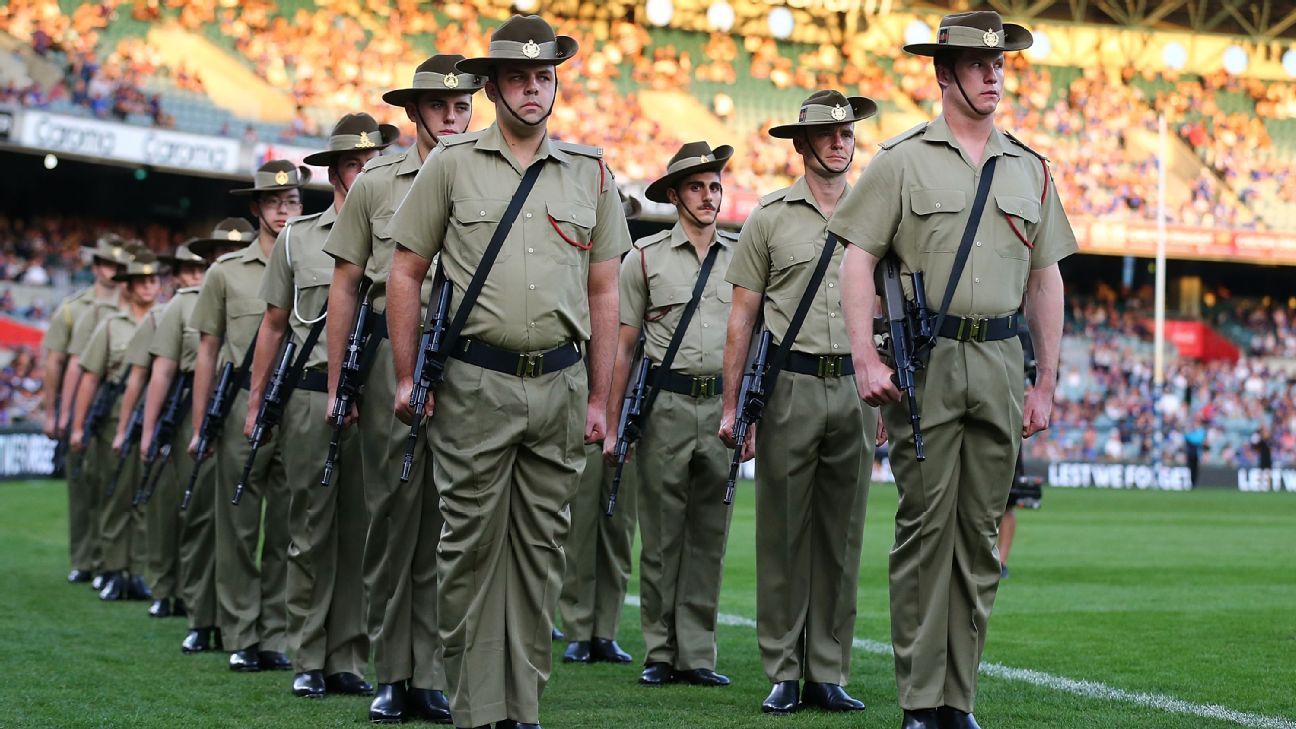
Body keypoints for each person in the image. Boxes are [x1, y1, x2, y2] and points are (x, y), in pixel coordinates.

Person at [385, 15, 631, 728]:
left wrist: (600, 398)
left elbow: (606, 291)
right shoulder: (452, 164)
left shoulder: (590, 172)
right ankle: (474, 708)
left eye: (544, 76)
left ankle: (520, 709)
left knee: (539, 554)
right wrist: (407, 377)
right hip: (474, 384)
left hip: (559, 386)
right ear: (491, 87)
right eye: (519, 77)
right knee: (466, 550)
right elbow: (405, 270)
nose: (533, 88)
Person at [831, 12, 1075, 729]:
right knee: (925, 528)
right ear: (944, 73)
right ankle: (919, 698)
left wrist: (1048, 379)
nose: (993, 73)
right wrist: (865, 356)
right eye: (976, 63)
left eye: (999, 62)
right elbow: (857, 259)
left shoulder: (1029, 167)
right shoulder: (901, 161)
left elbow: (1046, 278)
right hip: (928, 362)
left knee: (978, 536)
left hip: (1001, 361)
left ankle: (957, 699)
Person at [323, 54, 483, 725]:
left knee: (450, 524)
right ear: (413, 111)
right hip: (396, 353)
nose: (455, 116)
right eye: (442, 106)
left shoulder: (490, 174)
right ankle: (392, 671)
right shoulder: (378, 181)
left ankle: (432, 673)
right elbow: (345, 285)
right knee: (393, 518)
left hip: (470, 363)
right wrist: (340, 384)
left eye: (463, 106)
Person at [720, 90, 879, 716]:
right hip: (789, 384)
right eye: (828, 135)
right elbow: (741, 318)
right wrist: (735, 407)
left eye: (847, 135)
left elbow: (892, 305)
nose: (841, 143)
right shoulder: (768, 217)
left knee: (843, 534)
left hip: (855, 386)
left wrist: (884, 392)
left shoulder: (877, 214)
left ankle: (828, 668)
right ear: (802, 145)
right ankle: (784, 667)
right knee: (783, 531)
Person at [249, 113, 393, 699]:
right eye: (358, 165)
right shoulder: (298, 237)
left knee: (363, 532)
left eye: (375, 164)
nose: (367, 175)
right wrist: (259, 402)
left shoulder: (399, 229)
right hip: (311, 397)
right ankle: (306, 653)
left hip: (377, 397)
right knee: (310, 529)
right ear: (335, 172)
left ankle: (347, 659)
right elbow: (275, 324)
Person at [603, 142, 737, 687]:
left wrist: (748, 415)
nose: (709, 196)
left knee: (710, 536)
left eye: (714, 186)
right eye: (698, 187)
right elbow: (624, 346)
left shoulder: (740, 257)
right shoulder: (645, 259)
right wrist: (612, 424)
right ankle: (660, 650)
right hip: (665, 407)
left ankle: (698, 654)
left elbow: (754, 341)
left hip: (720, 405)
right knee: (660, 535)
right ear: (676, 195)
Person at [189, 160, 308, 673]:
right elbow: (207, 354)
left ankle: (275, 634)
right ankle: (240, 630)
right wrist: (201, 427)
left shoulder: (316, 259)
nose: (285, 209)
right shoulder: (224, 273)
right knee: (237, 523)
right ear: (256, 208)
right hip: (240, 400)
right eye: (275, 201)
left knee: (287, 524)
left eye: (295, 201)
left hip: (297, 400)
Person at [143, 226, 246, 654]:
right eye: (220, 252)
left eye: (233, 251)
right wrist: (151, 431)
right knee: (200, 517)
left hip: (248, 400)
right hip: (197, 407)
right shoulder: (182, 306)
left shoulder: (269, 283)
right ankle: (202, 615)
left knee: (241, 522)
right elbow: (163, 371)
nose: (226, 258)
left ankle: (242, 618)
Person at [557, 193, 644, 669]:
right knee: (580, 523)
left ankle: (605, 630)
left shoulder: (637, 276)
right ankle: (577, 626)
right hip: (581, 408)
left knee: (618, 528)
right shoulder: (578, 275)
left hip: (626, 415)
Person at [68, 245, 161, 603]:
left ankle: (136, 571)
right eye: (142, 281)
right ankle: (111, 568)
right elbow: (89, 378)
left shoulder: (166, 318)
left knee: (142, 499)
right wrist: (78, 426)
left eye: (154, 280)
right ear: (129, 285)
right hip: (113, 419)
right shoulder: (111, 325)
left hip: (154, 418)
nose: (149, 287)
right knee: (114, 495)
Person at [41, 236, 125, 584]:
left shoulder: (136, 304)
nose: (113, 271)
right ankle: (83, 557)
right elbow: (55, 363)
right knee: (81, 484)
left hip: (119, 399)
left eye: (119, 265)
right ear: (95, 267)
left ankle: (112, 559)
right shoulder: (74, 308)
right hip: (82, 401)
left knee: (116, 484)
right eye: (107, 264)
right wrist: (52, 413)